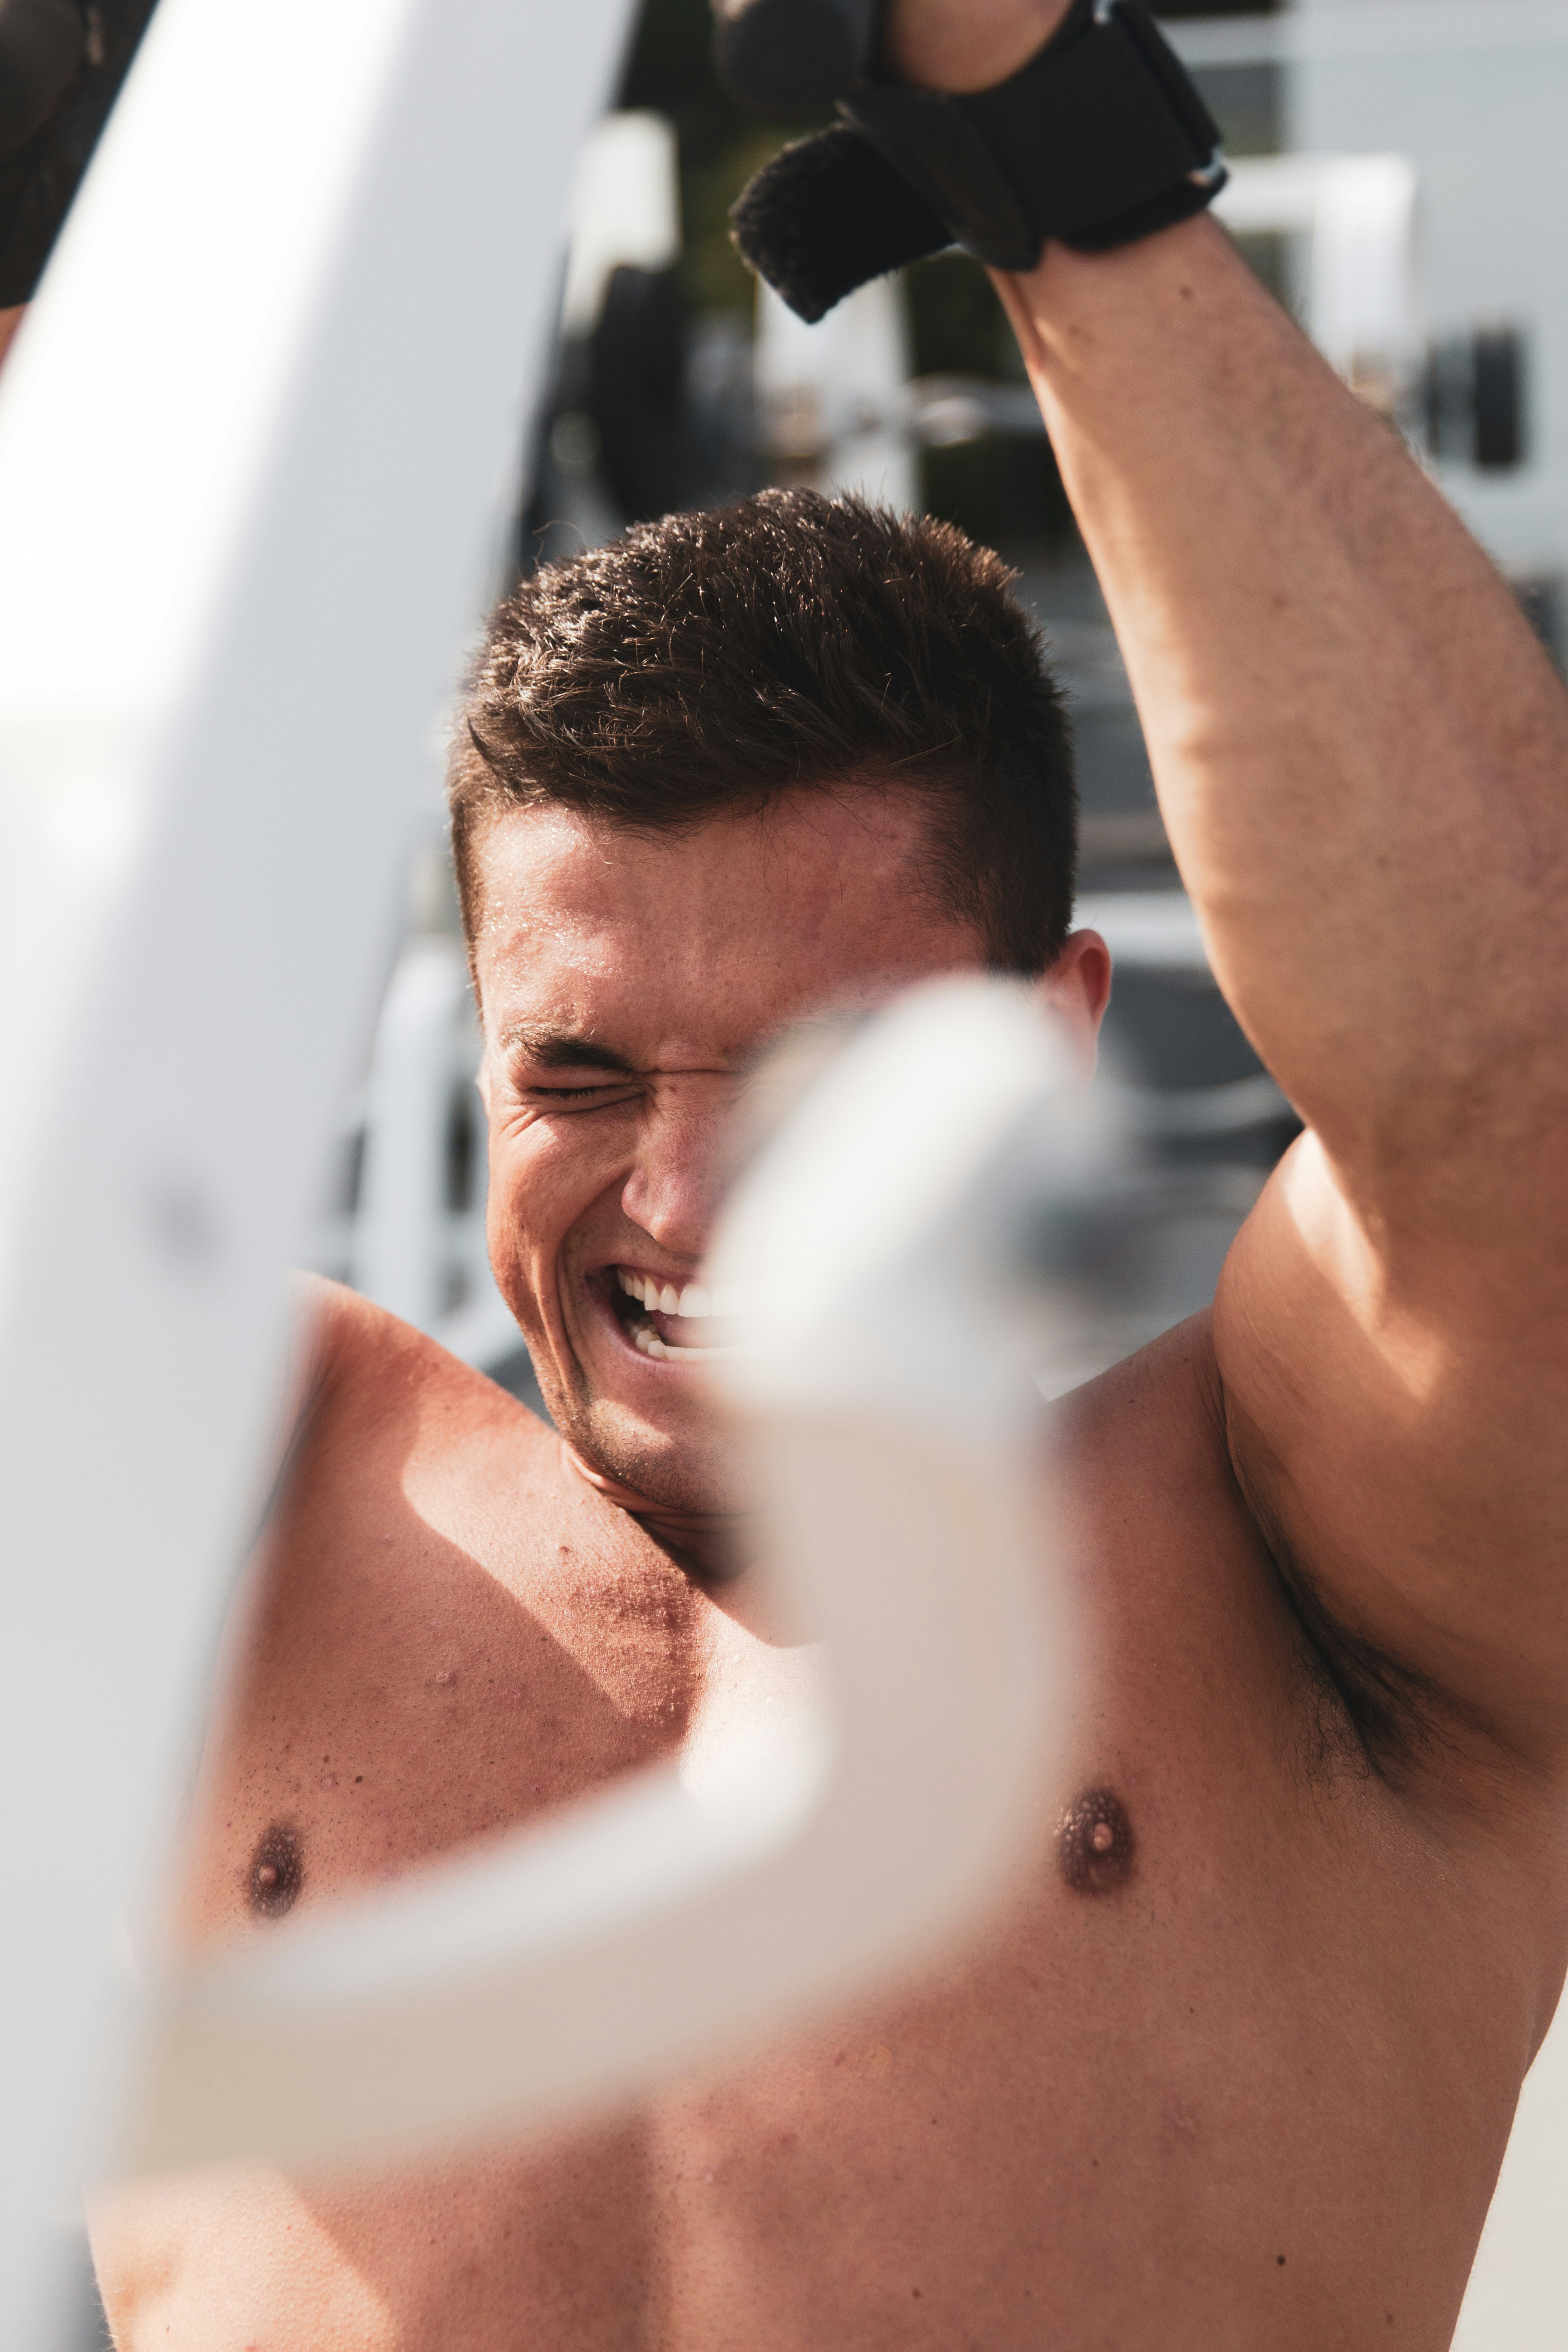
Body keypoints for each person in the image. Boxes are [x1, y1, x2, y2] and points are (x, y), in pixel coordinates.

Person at [92, 0, 1568, 2341]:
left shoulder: (1312, 1563)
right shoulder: (244, 1504)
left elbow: (1515, 1082)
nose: (686, 1205)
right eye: (584, 1076)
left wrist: (1046, 134)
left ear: (1047, 1038)